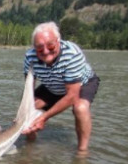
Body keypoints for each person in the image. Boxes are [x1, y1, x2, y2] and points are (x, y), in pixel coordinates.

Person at [23, 22, 100, 152]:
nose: (46, 51)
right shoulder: (30, 57)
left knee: (80, 108)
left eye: (50, 45)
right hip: (53, 84)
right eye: (40, 48)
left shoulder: (72, 54)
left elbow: (72, 96)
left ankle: (82, 151)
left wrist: (44, 117)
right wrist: (24, 113)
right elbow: (28, 92)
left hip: (81, 84)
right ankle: (30, 148)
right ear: (34, 47)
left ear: (58, 41)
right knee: (29, 111)